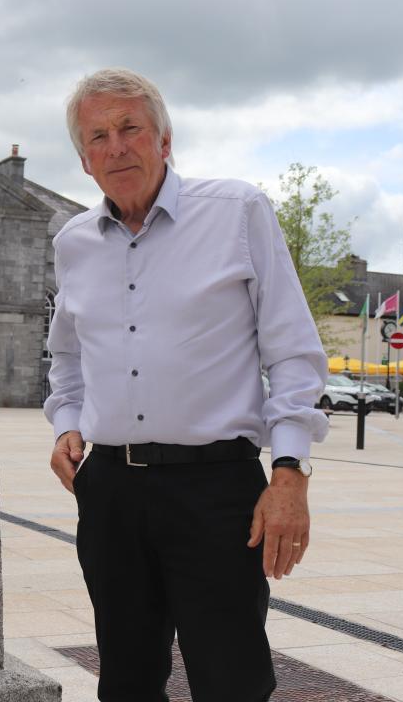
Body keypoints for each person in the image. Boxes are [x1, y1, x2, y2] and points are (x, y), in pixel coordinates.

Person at [44, 68, 328, 702]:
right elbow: (64, 355)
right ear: (85, 161)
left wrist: (290, 473)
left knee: (231, 678)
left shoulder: (237, 212)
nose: (115, 146)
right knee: (125, 680)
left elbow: (293, 353)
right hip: (111, 491)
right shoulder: (72, 244)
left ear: (164, 141)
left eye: (129, 128)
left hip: (215, 490)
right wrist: (67, 421)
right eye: (97, 136)